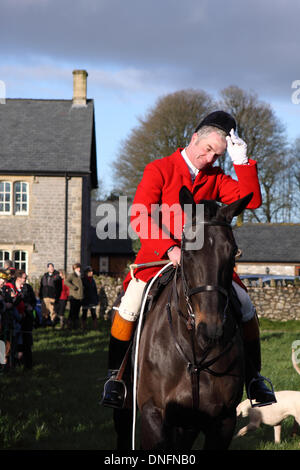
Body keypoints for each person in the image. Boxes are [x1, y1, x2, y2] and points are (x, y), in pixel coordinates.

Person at [102, 110, 276, 408]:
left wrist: (242, 163)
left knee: (245, 305)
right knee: (130, 305)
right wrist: (170, 248)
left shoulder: (217, 177)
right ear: (194, 138)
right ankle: (115, 380)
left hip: (205, 264)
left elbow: (253, 200)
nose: (210, 158)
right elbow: (139, 214)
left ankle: (254, 379)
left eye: (217, 155)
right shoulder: (160, 168)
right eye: (208, 149)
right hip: (160, 258)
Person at [65, 263, 83, 329]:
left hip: (79, 297)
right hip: (74, 296)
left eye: (80, 267)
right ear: (74, 268)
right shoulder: (72, 275)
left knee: (77, 313)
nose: (79, 269)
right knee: (72, 312)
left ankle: (76, 326)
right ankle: (69, 326)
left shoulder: (80, 275)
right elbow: (66, 282)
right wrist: (73, 287)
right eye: (78, 268)